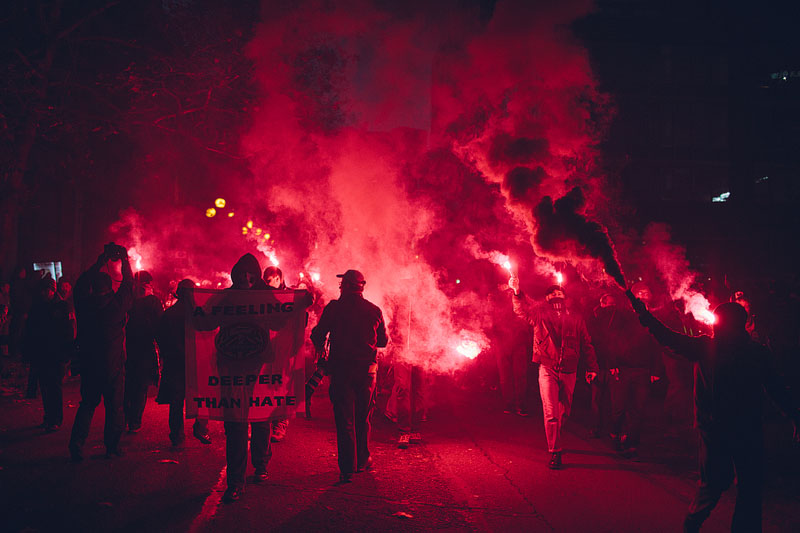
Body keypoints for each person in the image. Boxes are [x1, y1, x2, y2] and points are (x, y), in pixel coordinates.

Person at [627, 291, 800, 533]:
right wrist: (794, 415)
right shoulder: (752, 352)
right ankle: (697, 524)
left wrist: (643, 314)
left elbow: (667, 338)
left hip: (720, 429)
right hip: (732, 429)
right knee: (741, 485)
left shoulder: (711, 347)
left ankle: (693, 523)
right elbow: (778, 389)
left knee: (721, 483)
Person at [509, 277, 598, 469]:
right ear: (547, 298)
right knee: (551, 413)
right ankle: (555, 452)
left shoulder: (575, 318)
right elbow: (521, 310)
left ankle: (556, 434)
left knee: (564, 411)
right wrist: (517, 292)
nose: (556, 296)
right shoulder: (539, 315)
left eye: (559, 293)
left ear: (565, 297)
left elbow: (587, 342)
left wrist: (592, 367)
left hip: (569, 368)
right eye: (552, 294)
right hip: (547, 368)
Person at [310, 269, 388, 483]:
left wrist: (322, 350)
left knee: (344, 420)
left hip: (341, 371)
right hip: (367, 372)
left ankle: (346, 468)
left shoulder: (334, 308)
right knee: (363, 417)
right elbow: (382, 341)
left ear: (344, 286)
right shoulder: (374, 310)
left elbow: (317, 334)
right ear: (362, 287)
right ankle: (362, 460)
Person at [68, 243, 134, 461]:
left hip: (89, 364)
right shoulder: (116, 306)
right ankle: (112, 447)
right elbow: (128, 284)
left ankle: (77, 445)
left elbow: (79, 285)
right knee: (114, 408)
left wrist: (100, 261)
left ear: (93, 288)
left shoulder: (84, 305)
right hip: (113, 366)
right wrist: (124, 260)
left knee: (87, 404)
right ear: (109, 287)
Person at [155, 278, 211, 447]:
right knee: (202, 398)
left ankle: (177, 437)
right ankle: (200, 428)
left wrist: (166, 355)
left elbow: (160, 337)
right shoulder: (200, 315)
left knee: (176, 403)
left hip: (175, 364)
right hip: (194, 363)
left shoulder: (169, 314)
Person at [606, 300, 663, 458]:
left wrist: (656, 369)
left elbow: (656, 342)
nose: (643, 298)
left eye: (646, 295)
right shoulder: (621, 314)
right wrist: (612, 364)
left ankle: (632, 443)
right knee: (619, 408)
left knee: (638, 409)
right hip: (622, 369)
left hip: (642, 370)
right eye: (640, 295)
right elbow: (611, 337)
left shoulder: (650, 317)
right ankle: (615, 434)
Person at [23, 278, 74, 431]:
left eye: (48, 290)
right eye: (43, 290)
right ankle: (48, 417)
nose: (45, 293)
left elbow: (68, 331)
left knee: (54, 387)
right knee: (45, 387)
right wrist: (28, 351)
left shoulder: (62, 306)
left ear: (53, 290)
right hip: (41, 353)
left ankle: (56, 419)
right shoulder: (37, 307)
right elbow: (30, 331)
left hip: (56, 354)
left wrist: (67, 354)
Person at [123, 271, 163, 433]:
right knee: (139, 386)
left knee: (129, 386)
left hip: (127, 348)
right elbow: (159, 325)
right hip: (142, 349)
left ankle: (127, 419)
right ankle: (134, 421)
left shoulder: (127, 299)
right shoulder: (151, 301)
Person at [586, 292, 619, 438]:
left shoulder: (617, 319)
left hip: (612, 365)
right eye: (609, 304)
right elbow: (590, 344)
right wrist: (590, 367)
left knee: (614, 400)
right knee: (597, 399)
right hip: (597, 365)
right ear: (602, 304)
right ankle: (595, 426)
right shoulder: (594, 319)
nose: (611, 307)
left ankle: (612, 428)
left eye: (614, 304)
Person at [264, 266, 289, 443]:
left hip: (282, 349)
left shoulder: (290, 297)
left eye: (272, 278)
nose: (269, 282)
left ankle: (280, 423)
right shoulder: (257, 296)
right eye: (266, 279)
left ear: (280, 279)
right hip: (263, 348)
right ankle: (259, 420)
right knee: (262, 386)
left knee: (281, 387)